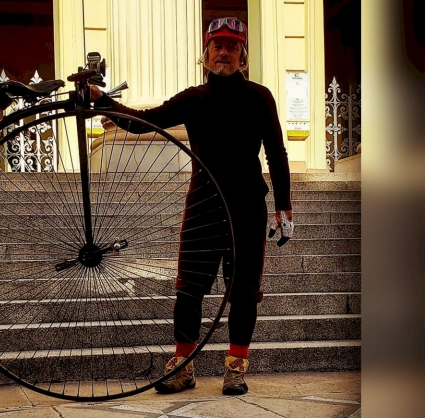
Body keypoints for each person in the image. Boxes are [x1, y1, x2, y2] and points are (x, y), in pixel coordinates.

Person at [89, 17, 294, 395]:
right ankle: (182, 367)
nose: (224, 52)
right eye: (218, 46)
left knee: (244, 291)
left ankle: (236, 366)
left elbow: (276, 152)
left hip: (248, 206)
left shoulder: (259, 97)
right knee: (188, 290)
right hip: (202, 203)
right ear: (206, 53)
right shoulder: (194, 98)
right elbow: (145, 122)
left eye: (232, 47)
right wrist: (106, 104)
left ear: (242, 57)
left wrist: (285, 205)